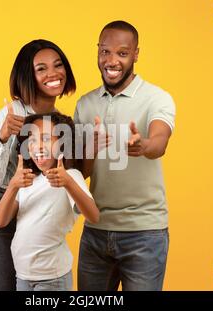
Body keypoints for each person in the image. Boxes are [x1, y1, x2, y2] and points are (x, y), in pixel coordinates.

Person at [0, 40, 76, 291]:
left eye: (58, 66)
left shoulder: (58, 121)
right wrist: (3, 136)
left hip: (29, 213)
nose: (53, 74)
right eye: (41, 69)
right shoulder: (11, 114)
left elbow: (66, 178)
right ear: (28, 76)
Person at [74, 20, 176, 291]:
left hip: (144, 234)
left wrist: (143, 145)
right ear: (97, 51)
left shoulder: (157, 98)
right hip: (95, 231)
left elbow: (160, 141)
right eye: (105, 51)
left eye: (122, 53)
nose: (112, 60)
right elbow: (79, 172)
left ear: (136, 54)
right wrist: (90, 151)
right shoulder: (85, 104)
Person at [0, 112, 99, 291]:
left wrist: (68, 183)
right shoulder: (27, 180)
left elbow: (93, 216)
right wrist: (12, 186)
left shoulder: (71, 176)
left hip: (52, 278)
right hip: (23, 276)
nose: (38, 146)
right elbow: (1, 221)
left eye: (45, 139)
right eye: (32, 140)